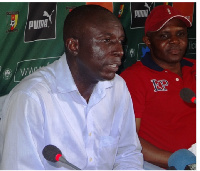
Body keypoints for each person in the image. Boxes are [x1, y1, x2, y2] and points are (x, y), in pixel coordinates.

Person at [0, 5, 143, 170]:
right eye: (107, 40)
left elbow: (128, 153)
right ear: (73, 46)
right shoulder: (31, 98)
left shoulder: (117, 86)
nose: (119, 51)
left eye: (120, 42)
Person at [120, 5, 196, 169]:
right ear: (148, 40)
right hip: (160, 164)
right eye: (164, 35)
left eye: (180, 34)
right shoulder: (134, 77)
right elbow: (128, 139)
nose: (175, 40)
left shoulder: (195, 68)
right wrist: (180, 161)